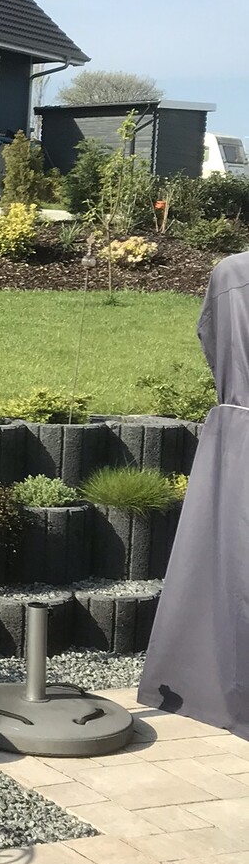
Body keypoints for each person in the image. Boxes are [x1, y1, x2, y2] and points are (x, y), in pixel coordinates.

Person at [137, 251, 249, 736]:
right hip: (237, 429)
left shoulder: (233, 274)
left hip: (238, 436)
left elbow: (213, 340)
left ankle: (214, 685)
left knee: (229, 563)